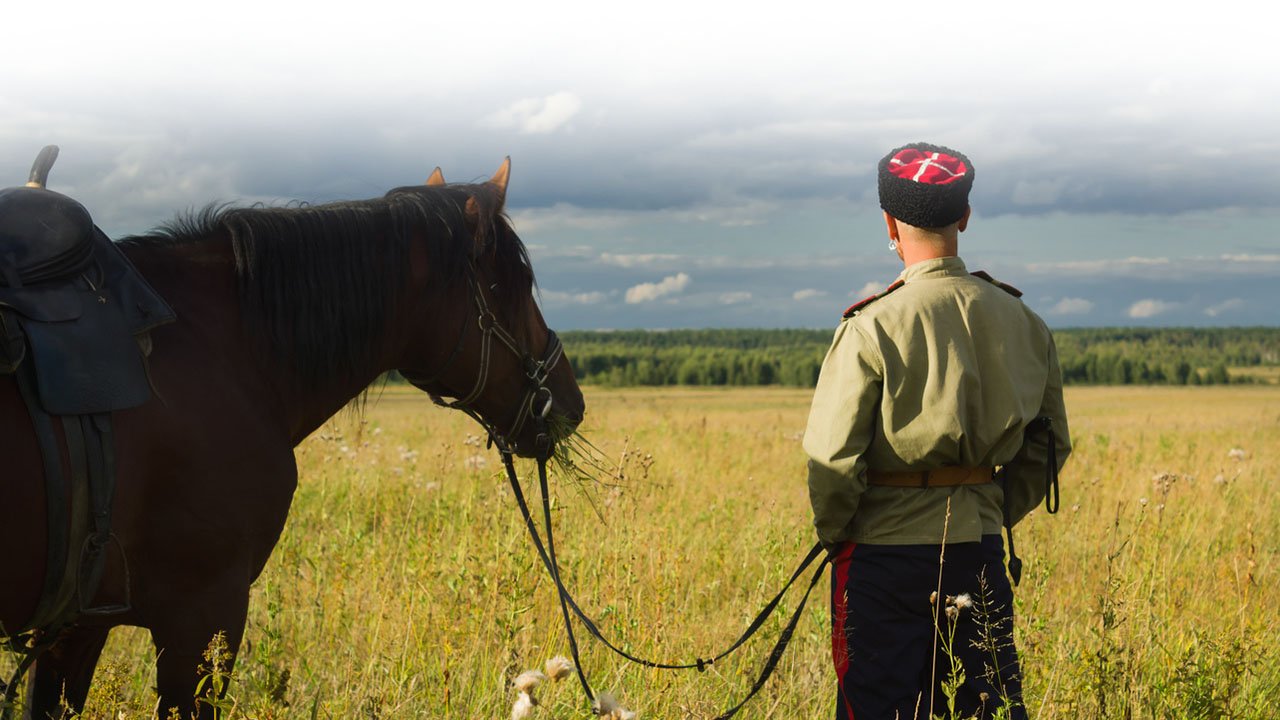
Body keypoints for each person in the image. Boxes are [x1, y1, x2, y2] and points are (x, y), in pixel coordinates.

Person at [804, 142, 1071, 719]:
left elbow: (833, 459)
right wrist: (989, 505)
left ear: (888, 224)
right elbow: (1049, 447)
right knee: (987, 709)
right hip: (979, 549)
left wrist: (840, 533)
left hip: (882, 556)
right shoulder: (1024, 322)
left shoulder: (872, 325)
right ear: (964, 217)